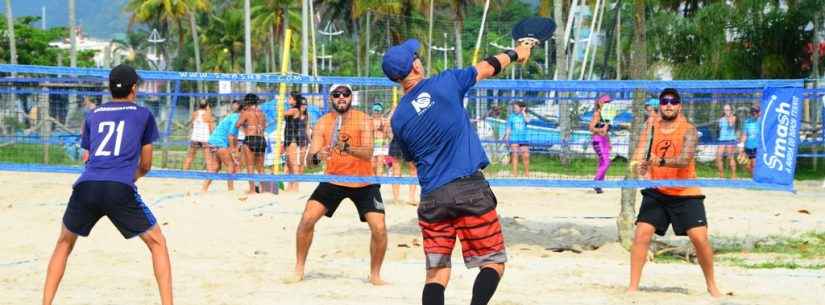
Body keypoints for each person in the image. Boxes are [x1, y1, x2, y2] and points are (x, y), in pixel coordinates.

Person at [383, 38, 532, 305]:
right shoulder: (445, 82)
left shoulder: (399, 118)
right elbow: (488, 67)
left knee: (436, 273)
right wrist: (517, 53)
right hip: (469, 190)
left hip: (432, 199)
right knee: (493, 262)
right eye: (416, 56)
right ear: (415, 66)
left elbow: (410, 157)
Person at [42, 64, 173, 305]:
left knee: (64, 243)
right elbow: (146, 165)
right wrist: (128, 178)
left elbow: (87, 158)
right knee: (157, 242)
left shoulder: (93, 115)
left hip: (87, 185)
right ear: (134, 88)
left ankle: (45, 303)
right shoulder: (143, 114)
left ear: (110, 87)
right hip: (119, 187)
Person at [289, 84, 387, 285]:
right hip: (333, 179)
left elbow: (368, 152)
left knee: (379, 228)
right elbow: (309, 161)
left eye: (345, 94)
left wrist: (345, 147)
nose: (341, 97)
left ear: (351, 97)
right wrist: (318, 156)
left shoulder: (364, 119)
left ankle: (375, 275)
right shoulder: (323, 123)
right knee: (307, 220)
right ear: (331, 98)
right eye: (336, 94)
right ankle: (299, 268)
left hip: (363, 181)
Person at [629, 88, 721, 297]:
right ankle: (632, 288)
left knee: (700, 239)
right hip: (658, 191)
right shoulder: (650, 126)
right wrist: (639, 166)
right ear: (660, 105)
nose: (668, 105)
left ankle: (712, 285)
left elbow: (684, 160)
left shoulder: (688, 129)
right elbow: (639, 155)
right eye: (664, 101)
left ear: (680, 105)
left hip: (685, 192)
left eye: (673, 101)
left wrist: (658, 161)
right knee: (642, 234)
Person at [202, 100, 241, 192]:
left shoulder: (231, 116)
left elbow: (232, 137)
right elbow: (231, 137)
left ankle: (204, 188)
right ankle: (231, 189)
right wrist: (233, 151)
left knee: (216, 167)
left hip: (213, 140)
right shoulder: (236, 118)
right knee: (230, 164)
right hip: (220, 142)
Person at [236, 93, 267, 194]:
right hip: (261, 139)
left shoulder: (246, 112)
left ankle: (252, 189)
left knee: (250, 166)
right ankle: (263, 188)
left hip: (250, 138)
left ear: (247, 102)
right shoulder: (262, 113)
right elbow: (264, 126)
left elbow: (237, 124)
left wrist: (245, 124)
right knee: (261, 167)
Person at [284, 92, 310, 192]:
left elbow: (280, 112)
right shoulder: (293, 109)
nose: (288, 99)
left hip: (292, 139)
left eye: (290, 98)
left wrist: (279, 102)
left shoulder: (295, 110)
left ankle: (296, 186)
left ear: (295, 100)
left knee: (294, 164)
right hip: (288, 137)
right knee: (290, 164)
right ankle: (290, 185)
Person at [183, 101, 215, 170]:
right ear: (207, 106)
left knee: (190, 157)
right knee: (208, 159)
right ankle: (210, 174)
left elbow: (192, 125)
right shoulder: (208, 114)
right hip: (205, 139)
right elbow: (211, 128)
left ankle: (184, 172)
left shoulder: (195, 113)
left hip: (195, 138)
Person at [589, 95, 612, 194]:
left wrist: (609, 142)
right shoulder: (597, 114)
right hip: (597, 140)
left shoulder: (608, 115)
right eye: (605, 102)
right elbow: (591, 128)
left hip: (605, 140)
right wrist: (601, 129)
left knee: (603, 162)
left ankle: (599, 185)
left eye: (608, 102)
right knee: (606, 162)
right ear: (599, 103)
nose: (606, 104)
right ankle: (596, 181)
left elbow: (606, 132)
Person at [504, 101, 530, 177]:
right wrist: (507, 138)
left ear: (521, 108)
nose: (514, 109)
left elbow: (527, 121)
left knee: (526, 156)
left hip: (523, 139)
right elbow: (508, 128)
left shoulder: (524, 115)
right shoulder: (511, 117)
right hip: (514, 139)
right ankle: (515, 174)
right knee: (515, 155)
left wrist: (524, 112)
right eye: (513, 108)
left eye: (515, 107)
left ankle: (527, 173)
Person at [716, 104, 738, 178]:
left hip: (730, 140)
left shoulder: (734, 117)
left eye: (728, 109)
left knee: (730, 157)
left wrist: (729, 116)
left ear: (731, 110)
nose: (726, 111)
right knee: (718, 157)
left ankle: (733, 175)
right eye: (725, 110)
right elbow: (720, 129)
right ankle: (721, 175)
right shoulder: (721, 119)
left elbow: (731, 125)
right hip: (722, 139)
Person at [738, 105, 760, 176]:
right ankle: (754, 177)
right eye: (753, 113)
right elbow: (744, 135)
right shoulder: (747, 122)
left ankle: (755, 179)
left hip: (757, 147)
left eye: (756, 112)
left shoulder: (761, 121)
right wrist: (741, 146)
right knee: (748, 166)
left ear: (759, 113)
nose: (754, 114)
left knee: (754, 164)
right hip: (748, 147)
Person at [371, 102, 391, 177]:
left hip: (381, 143)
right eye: (375, 110)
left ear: (381, 111)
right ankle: (374, 180)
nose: (376, 112)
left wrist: (386, 142)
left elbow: (386, 134)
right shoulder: (369, 120)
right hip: (372, 144)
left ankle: (377, 183)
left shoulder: (384, 121)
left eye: (378, 110)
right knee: (372, 165)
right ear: (373, 110)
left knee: (379, 163)